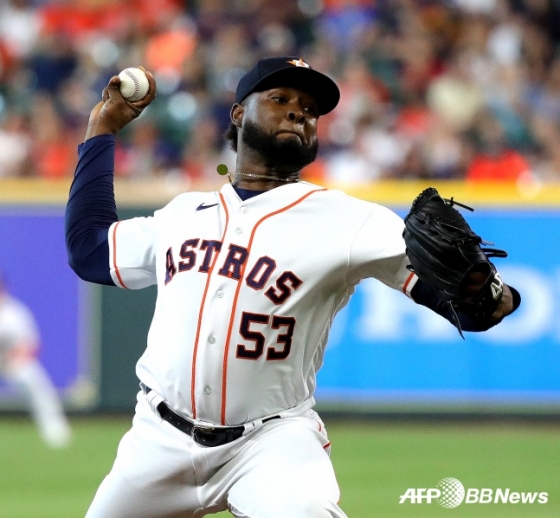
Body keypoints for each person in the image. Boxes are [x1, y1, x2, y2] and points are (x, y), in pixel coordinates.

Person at [65, 56, 520, 517]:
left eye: (309, 109)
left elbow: (474, 309)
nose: (297, 112)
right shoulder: (183, 215)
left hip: (270, 442)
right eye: (279, 98)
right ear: (238, 114)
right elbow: (89, 251)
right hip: (158, 438)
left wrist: (486, 291)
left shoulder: (350, 221)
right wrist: (102, 128)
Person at [0, 273, 72, 448]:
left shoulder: (14, 312)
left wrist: (12, 359)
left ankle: (55, 430)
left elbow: (31, 345)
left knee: (33, 379)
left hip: (12, 361)